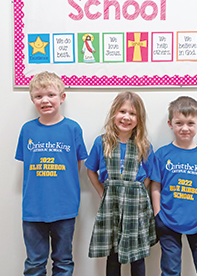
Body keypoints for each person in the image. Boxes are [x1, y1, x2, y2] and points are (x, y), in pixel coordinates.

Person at [15, 71, 88, 275]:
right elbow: (26, 165)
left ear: (62, 97)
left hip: (65, 208)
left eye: (50, 94)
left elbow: (77, 164)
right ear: (32, 100)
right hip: (33, 208)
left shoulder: (73, 129)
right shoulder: (27, 130)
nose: (45, 100)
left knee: (63, 261)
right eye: (38, 96)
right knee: (34, 263)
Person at [86, 91, 157, 276]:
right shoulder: (102, 142)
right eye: (122, 111)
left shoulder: (144, 145)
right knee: (113, 253)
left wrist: (138, 192)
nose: (126, 117)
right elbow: (90, 170)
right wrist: (103, 193)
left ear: (139, 119)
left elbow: (150, 175)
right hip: (112, 205)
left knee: (137, 255)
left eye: (132, 114)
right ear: (113, 114)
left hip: (136, 208)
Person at [151, 96, 197, 276]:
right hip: (167, 221)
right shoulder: (162, 154)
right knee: (170, 270)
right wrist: (158, 213)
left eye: (190, 123)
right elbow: (155, 186)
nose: (184, 128)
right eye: (179, 123)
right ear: (170, 123)